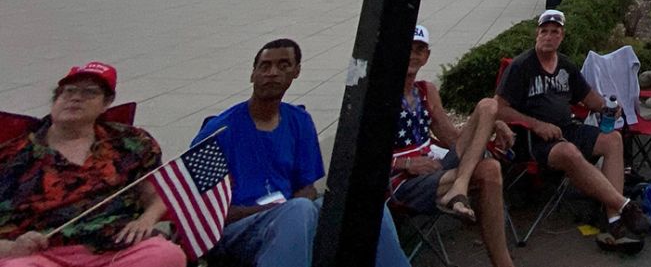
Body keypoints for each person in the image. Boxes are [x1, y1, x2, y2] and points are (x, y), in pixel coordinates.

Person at [194, 40, 409, 267]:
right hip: (240, 229)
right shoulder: (219, 131)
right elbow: (205, 211)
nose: (273, 73)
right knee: (298, 211)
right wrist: (277, 209)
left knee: (363, 202)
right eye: (264, 67)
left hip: (295, 216)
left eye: (283, 65)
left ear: (296, 71)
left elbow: (307, 188)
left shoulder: (300, 121)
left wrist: (293, 206)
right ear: (253, 74)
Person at [494, 10, 651, 251]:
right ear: (537, 35)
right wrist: (536, 124)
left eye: (554, 32)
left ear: (561, 36)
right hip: (533, 140)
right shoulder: (521, 66)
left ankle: (613, 220)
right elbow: (499, 109)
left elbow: (590, 99)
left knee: (613, 140)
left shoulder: (566, 66)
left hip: (567, 129)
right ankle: (624, 206)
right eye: (543, 31)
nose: (548, 36)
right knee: (569, 152)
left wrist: (610, 107)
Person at [0, 63, 186, 267]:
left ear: (106, 103)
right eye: (68, 91)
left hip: (116, 249)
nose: (76, 98)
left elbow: (157, 192)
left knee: (166, 255)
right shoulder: (12, 154)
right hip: (43, 255)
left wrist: (147, 219)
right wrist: (12, 247)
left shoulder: (131, 142)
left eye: (89, 93)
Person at [390, 25, 515, 267]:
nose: (413, 55)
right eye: (407, 48)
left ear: (426, 56)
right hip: (401, 181)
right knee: (489, 170)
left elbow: (452, 138)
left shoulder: (426, 91)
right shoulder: (380, 92)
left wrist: (492, 125)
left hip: (436, 170)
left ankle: (459, 187)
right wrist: (406, 162)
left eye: (419, 49)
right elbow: (360, 156)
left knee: (489, 107)